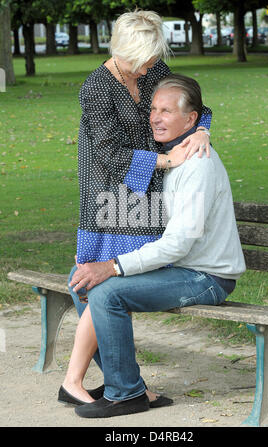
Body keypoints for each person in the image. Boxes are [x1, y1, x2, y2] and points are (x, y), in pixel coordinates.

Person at [61, 74, 246, 419]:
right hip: (179, 267)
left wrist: (113, 266)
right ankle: (131, 385)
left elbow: (177, 244)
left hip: (205, 276)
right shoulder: (167, 156)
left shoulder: (198, 165)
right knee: (81, 279)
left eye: (166, 111)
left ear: (191, 120)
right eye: (153, 110)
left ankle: (125, 394)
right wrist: (97, 254)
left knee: (106, 292)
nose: (155, 118)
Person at [68, 9, 213, 407]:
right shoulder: (96, 87)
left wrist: (201, 130)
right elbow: (110, 153)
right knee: (90, 284)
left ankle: (113, 383)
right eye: (143, 59)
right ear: (121, 49)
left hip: (147, 194)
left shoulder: (152, 68)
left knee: (106, 286)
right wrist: (169, 160)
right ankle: (101, 381)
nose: (149, 67)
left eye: (153, 59)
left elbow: (196, 106)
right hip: (109, 192)